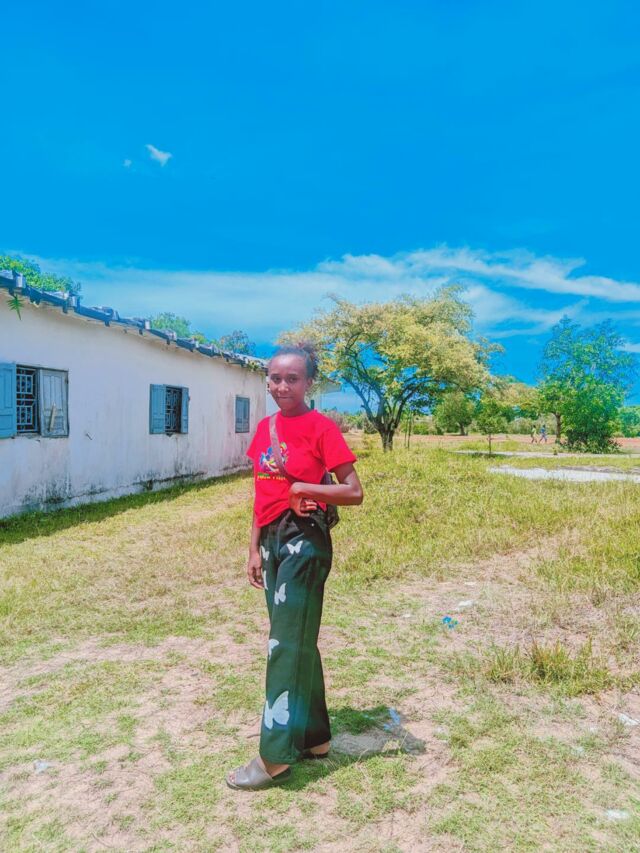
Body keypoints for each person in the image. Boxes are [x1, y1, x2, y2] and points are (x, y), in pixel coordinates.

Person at [226, 341, 364, 791]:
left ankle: (274, 757)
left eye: (292, 378)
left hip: (304, 543)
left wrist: (305, 487)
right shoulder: (265, 428)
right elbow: (261, 493)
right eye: (275, 378)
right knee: (296, 639)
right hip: (272, 540)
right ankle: (315, 737)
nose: (282, 386)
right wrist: (253, 549)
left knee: (284, 644)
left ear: (309, 383)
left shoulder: (322, 427)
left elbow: (353, 491)